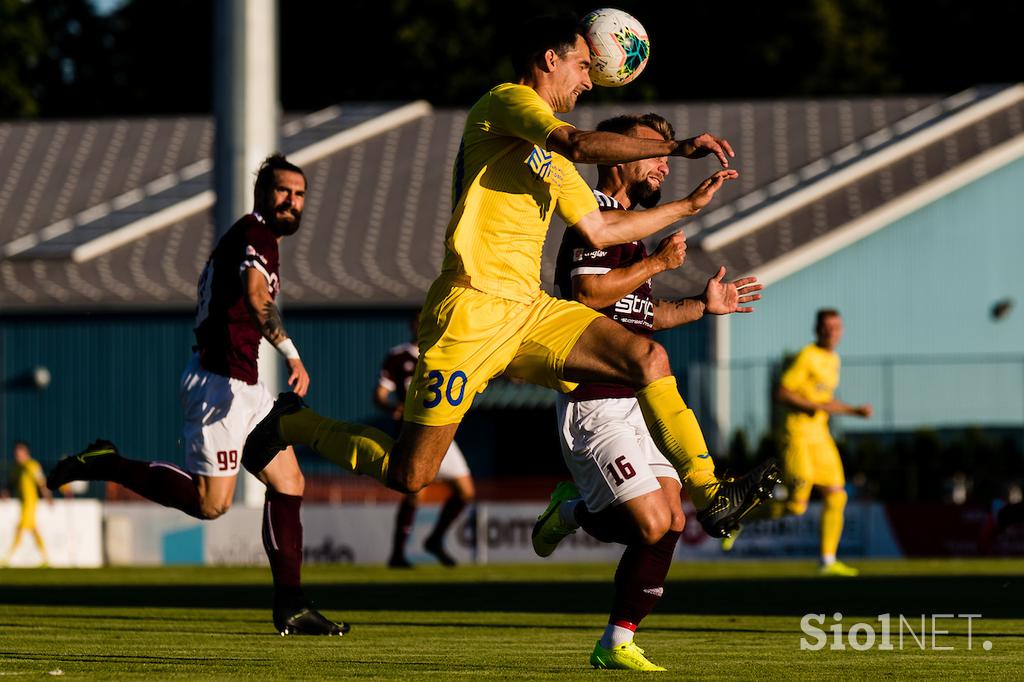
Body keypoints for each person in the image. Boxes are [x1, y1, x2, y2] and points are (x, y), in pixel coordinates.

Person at [242, 14, 779, 560]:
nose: (589, 81)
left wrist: (685, 207)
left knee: (647, 358)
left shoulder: (554, 156)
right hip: (469, 310)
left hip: (529, 309)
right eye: (582, 66)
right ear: (549, 59)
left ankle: (711, 491)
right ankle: (296, 422)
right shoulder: (505, 103)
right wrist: (678, 147)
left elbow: (600, 226)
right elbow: (577, 142)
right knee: (411, 474)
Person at [46, 155, 347, 635]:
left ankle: (291, 604)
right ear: (261, 194)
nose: (292, 201)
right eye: (282, 191)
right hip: (218, 385)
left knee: (289, 481)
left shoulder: (254, 236)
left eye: (299, 194)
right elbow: (254, 296)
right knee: (211, 505)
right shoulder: (257, 236)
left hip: (245, 385)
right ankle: (105, 463)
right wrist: (291, 352)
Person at [538, 113, 764, 670]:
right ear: (616, 158)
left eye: (667, 153)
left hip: (636, 402)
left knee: (674, 524)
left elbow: (641, 316)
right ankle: (570, 511)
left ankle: (616, 643)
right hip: (594, 403)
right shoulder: (594, 221)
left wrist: (701, 307)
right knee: (648, 524)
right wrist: (659, 261)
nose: (665, 162)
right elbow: (589, 293)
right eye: (653, 152)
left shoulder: (629, 229)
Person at [723, 309, 872, 577]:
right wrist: (809, 405)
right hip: (797, 435)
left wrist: (854, 411)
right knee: (796, 505)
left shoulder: (833, 359)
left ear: (842, 330)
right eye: (826, 327)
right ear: (817, 330)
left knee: (837, 495)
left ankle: (827, 561)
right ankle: (739, 519)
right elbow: (781, 391)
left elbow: (823, 401)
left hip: (820, 437)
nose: (832, 332)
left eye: (836, 327)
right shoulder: (806, 356)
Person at [375, 314, 475, 568]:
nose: (424, 325)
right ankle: (397, 554)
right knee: (414, 493)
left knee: (466, 492)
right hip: (413, 433)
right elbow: (379, 396)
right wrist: (393, 406)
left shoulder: (445, 353)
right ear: (412, 325)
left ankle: (436, 539)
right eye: (419, 321)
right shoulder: (398, 357)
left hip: (442, 430)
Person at [3, 441, 52, 566]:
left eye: (19, 455)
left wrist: (47, 496)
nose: (17, 457)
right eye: (16, 455)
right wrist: (6, 492)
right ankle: (46, 559)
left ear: (26, 453)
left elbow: (41, 482)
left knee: (19, 528)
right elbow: (11, 483)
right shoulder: (16, 467)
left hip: (31, 503)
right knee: (34, 529)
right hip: (22, 503)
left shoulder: (32, 465)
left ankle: (8, 558)